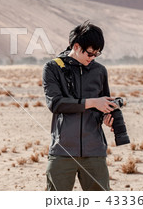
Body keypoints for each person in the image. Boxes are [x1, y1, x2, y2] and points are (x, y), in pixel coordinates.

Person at [42, 20, 116, 191]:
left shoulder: (100, 71)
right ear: (76, 46)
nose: (92, 58)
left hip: (95, 151)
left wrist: (106, 116)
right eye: (90, 53)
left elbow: (102, 104)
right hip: (62, 151)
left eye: (97, 54)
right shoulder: (53, 68)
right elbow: (56, 104)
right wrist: (92, 103)